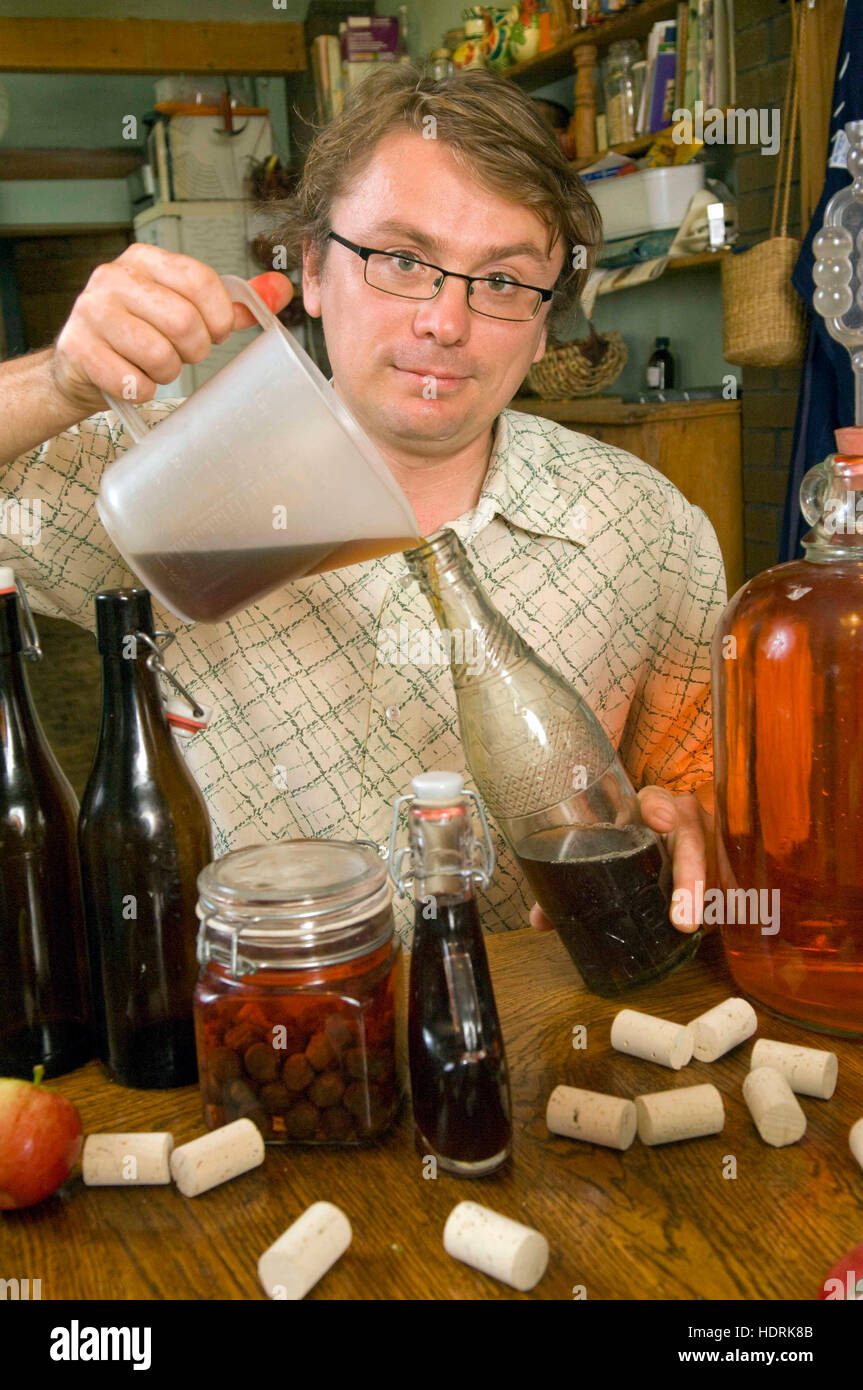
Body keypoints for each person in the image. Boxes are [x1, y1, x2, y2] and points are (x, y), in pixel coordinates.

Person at [0, 64, 721, 945]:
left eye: (500, 283)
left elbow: (697, 790)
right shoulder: (168, 471)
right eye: (403, 261)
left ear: (542, 326)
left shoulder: (650, 533)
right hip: (247, 1040)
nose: (445, 323)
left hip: (533, 1042)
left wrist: (699, 832)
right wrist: (62, 380)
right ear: (310, 268)